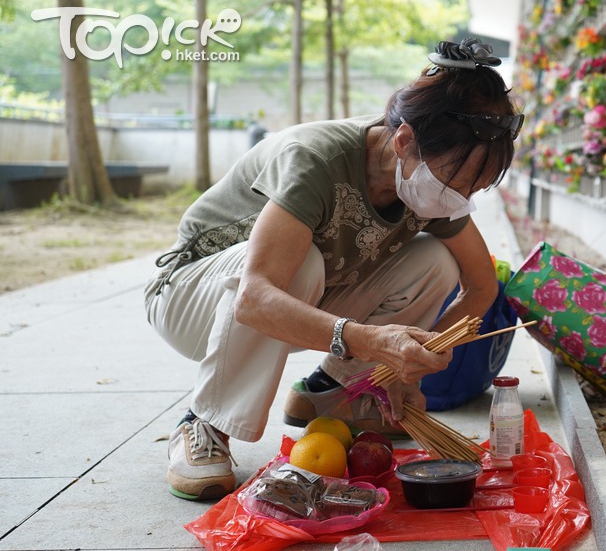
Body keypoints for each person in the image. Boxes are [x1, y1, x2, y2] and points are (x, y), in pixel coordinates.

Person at [144, 38, 524, 501]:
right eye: (457, 182)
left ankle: (334, 392)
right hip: (192, 299)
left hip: (299, 296)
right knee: (297, 265)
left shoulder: (429, 182)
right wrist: (371, 341)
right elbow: (256, 296)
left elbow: (481, 286)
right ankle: (205, 422)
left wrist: (410, 371)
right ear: (404, 140)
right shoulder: (317, 159)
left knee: (435, 260)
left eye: (474, 188)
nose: (460, 200)